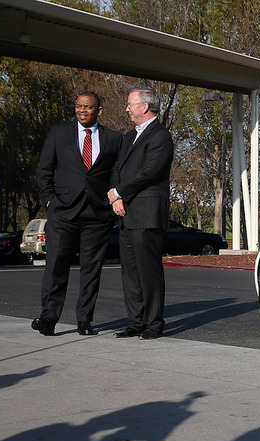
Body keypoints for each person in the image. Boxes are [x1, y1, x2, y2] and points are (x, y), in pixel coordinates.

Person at [31, 91, 123, 336]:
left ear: (98, 111)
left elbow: (116, 172)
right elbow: (44, 170)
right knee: (55, 266)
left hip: (97, 214)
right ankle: (48, 317)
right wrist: (49, 200)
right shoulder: (59, 133)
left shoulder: (114, 139)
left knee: (91, 270)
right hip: (62, 212)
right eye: (79, 106)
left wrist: (112, 195)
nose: (83, 110)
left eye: (88, 107)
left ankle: (85, 320)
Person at [107, 87, 174, 340]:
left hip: (146, 213)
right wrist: (115, 194)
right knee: (130, 272)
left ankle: (154, 323)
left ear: (145, 107)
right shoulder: (128, 138)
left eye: (130, 104)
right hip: (125, 212)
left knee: (149, 271)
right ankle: (135, 322)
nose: (127, 109)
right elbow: (117, 168)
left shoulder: (161, 136)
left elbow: (149, 172)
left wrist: (119, 193)